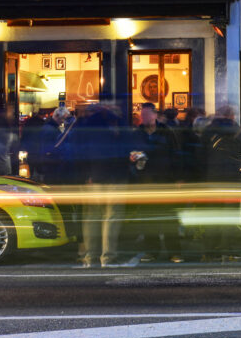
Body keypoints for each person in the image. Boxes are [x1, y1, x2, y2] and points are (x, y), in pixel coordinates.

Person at [75, 103, 131, 268]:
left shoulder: (87, 125)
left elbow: (79, 152)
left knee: (92, 218)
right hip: (114, 177)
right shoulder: (117, 125)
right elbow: (123, 150)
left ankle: (91, 257)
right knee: (111, 218)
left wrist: (85, 176)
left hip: (93, 177)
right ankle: (108, 257)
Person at [129, 103, 183, 263]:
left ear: (154, 115)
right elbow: (132, 152)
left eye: (146, 114)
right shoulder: (137, 133)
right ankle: (152, 251)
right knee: (149, 219)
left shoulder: (166, 131)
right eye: (142, 115)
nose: (144, 118)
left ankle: (174, 251)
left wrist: (179, 177)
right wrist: (134, 160)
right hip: (145, 181)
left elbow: (176, 154)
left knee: (169, 219)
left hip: (165, 180)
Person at [199, 105, 241, 260]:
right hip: (232, 180)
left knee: (212, 215)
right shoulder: (238, 131)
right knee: (231, 216)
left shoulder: (208, 131)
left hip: (213, 179)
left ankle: (210, 250)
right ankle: (229, 248)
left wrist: (205, 174)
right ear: (231, 116)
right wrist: (239, 169)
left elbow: (200, 155)